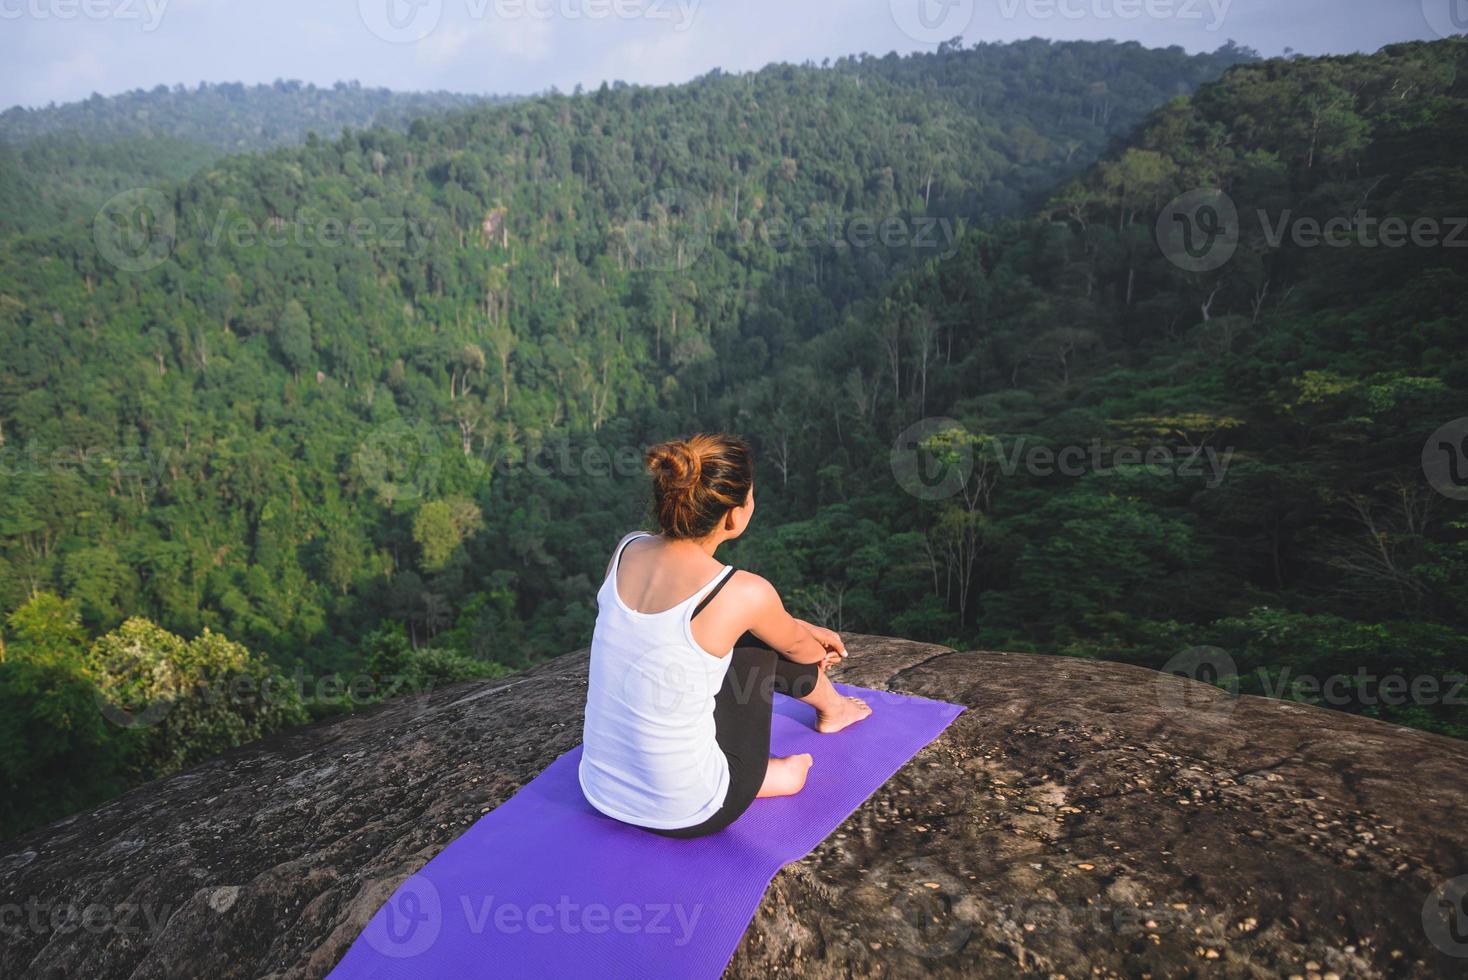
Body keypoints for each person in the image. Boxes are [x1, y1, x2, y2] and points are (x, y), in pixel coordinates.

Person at [578, 433, 873, 838]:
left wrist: (795, 626)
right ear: (734, 515)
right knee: (758, 643)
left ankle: (824, 717)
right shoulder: (743, 592)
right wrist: (804, 636)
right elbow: (800, 651)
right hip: (695, 811)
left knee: (737, 637)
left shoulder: (627, 548)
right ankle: (807, 739)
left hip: (601, 789)